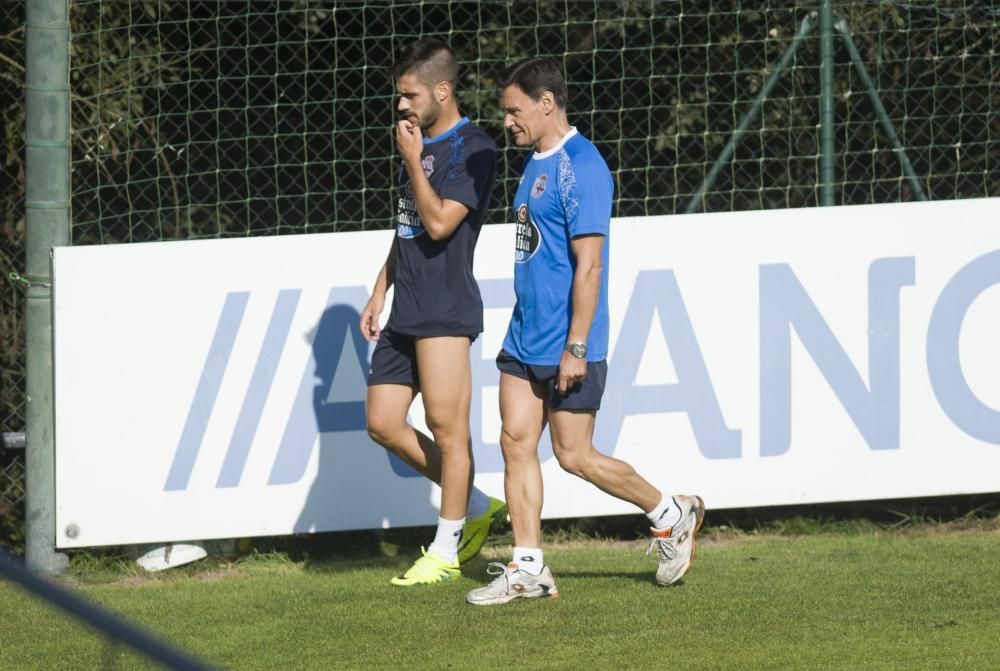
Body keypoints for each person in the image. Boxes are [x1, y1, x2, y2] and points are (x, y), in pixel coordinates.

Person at [465, 57, 705, 606]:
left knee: (575, 456)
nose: (507, 121)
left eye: (514, 110)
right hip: (524, 336)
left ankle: (672, 514)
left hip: (567, 343)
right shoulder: (534, 162)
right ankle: (529, 568)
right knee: (514, 442)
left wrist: (576, 345)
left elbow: (590, 267)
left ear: (546, 103)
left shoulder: (584, 167)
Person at [360, 39, 505, 587]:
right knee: (383, 423)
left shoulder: (475, 148)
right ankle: (478, 504)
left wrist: (412, 161)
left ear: (442, 90)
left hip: (445, 312)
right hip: (405, 311)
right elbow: (408, 229)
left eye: (410, 95)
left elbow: (441, 222)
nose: (401, 106)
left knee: (449, 434)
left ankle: (445, 550)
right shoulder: (415, 143)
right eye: (399, 96)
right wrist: (380, 291)